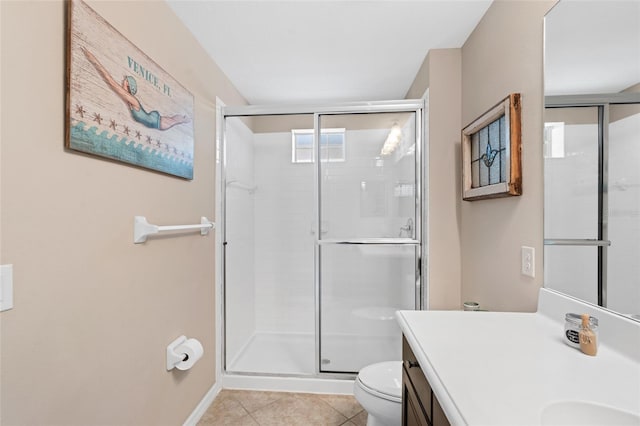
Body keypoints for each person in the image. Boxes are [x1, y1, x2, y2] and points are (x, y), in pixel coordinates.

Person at [81, 47, 190, 131]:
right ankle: (184, 119)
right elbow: (118, 89)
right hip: (156, 121)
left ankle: (186, 119)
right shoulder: (129, 102)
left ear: (127, 84)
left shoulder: (134, 102)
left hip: (158, 122)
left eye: (125, 80)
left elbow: (113, 84)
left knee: (176, 120)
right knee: (175, 120)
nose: (123, 81)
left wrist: (95, 62)